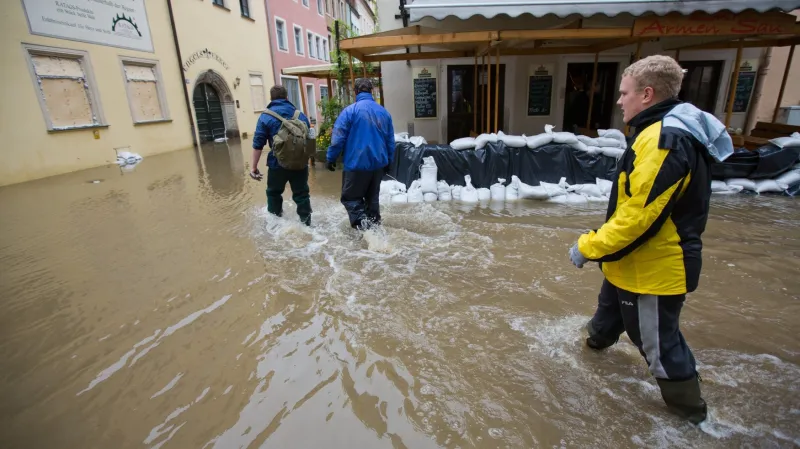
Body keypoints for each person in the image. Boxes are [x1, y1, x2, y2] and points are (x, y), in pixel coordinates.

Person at [568, 55, 733, 425]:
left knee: (657, 346)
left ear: (646, 94)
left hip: (654, 271)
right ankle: (585, 358)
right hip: (629, 263)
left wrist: (589, 246)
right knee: (605, 322)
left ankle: (693, 420)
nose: (618, 101)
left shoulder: (663, 140)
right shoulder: (654, 131)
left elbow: (639, 217)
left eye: (624, 93)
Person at [326, 78, 395, 230]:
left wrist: (331, 158)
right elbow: (390, 142)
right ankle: (376, 231)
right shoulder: (384, 113)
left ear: (355, 92)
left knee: (351, 199)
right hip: (378, 165)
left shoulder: (349, 111)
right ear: (371, 91)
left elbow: (337, 139)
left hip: (356, 165)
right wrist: (389, 162)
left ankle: (364, 233)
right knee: (372, 201)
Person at [250, 85, 312, 226]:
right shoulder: (300, 115)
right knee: (302, 195)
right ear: (286, 97)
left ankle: (275, 225)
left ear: (271, 98)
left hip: (277, 164)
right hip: (300, 164)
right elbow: (310, 139)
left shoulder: (265, 116)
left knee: (274, 193)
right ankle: (307, 224)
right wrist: (306, 160)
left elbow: (258, 144)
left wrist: (253, 167)